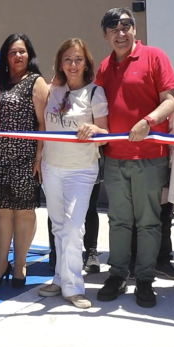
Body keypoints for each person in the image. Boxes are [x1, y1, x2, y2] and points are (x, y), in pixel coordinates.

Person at [95, 8, 174, 308]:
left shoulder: (154, 57)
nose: (121, 33)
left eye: (126, 26)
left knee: (149, 223)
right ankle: (117, 274)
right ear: (105, 35)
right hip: (115, 158)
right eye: (113, 28)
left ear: (134, 30)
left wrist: (148, 121)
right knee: (118, 221)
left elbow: (170, 100)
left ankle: (144, 280)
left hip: (149, 158)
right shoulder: (104, 67)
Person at [38, 38, 108, 309]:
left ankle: (74, 287)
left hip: (81, 170)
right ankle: (60, 278)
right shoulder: (52, 90)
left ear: (86, 63)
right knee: (58, 226)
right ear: (60, 63)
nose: (73, 64)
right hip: (52, 166)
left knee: (73, 227)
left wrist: (95, 130)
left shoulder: (95, 93)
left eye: (78, 59)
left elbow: (106, 135)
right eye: (67, 59)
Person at [0, 33, 47, 288]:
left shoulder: (36, 81)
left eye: (22, 51)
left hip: (25, 160)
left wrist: (39, 157)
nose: (18, 56)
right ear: (5, 56)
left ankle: (20, 264)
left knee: (23, 213)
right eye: (13, 52)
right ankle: (1, 265)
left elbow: (43, 123)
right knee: (0, 212)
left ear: (29, 54)